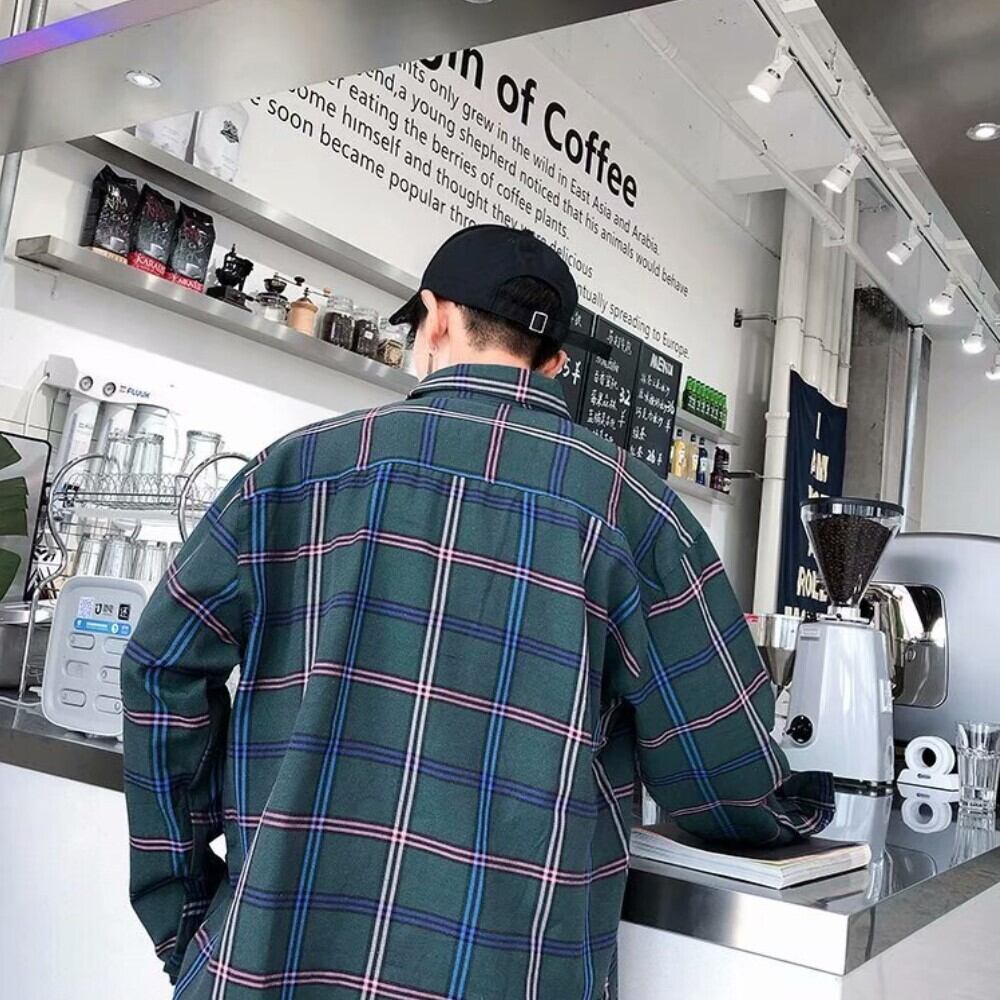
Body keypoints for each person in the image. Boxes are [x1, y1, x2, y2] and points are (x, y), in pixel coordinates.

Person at [122, 225, 833, 1000]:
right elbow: (724, 772)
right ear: (556, 363)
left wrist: (186, 916)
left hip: (271, 962)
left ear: (434, 318)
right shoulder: (637, 514)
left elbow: (159, 668)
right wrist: (797, 808)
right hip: (512, 973)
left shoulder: (293, 472)